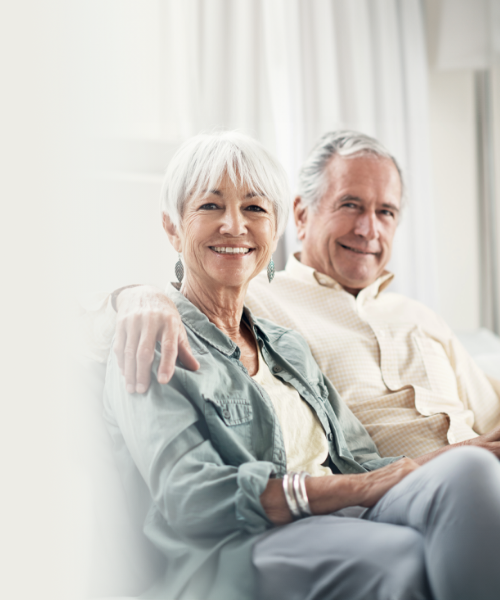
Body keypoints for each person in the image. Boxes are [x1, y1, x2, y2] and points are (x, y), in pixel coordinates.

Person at [107, 130, 500, 600]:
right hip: (246, 542)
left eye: (254, 208)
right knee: (400, 557)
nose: (235, 225)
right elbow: (191, 498)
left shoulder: (284, 344)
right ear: (173, 227)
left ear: (273, 228)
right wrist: (132, 295)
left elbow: (362, 462)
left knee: (472, 472)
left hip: (342, 514)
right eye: (210, 206)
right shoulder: (154, 337)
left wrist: (456, 457)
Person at [96, 130, 500, 459]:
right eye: (350, 205)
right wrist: (136, 295)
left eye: (385, 213)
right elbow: (188, 291)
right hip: (402, 491)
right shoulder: (259, 297)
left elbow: (490, 408)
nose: (368, 229)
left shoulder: (418, 314)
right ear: (303, 216)